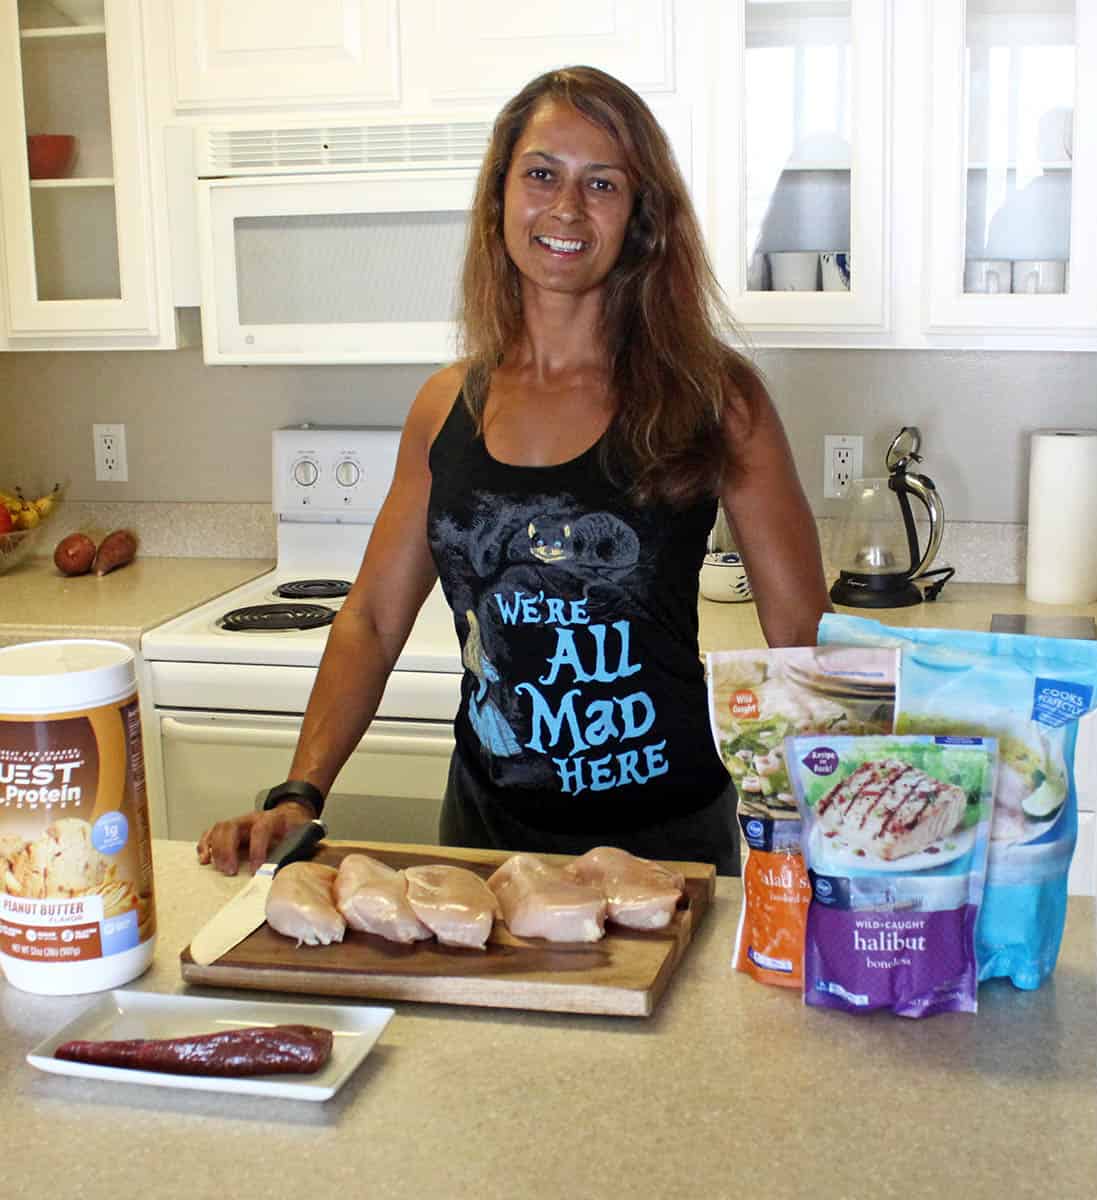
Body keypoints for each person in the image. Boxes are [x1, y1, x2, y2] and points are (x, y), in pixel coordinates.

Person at [197, 65, 830, 879]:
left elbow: (804, 642)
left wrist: (845, 822)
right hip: (486, 837)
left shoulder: (713, 397)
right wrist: (299, 792)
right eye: (541, 174)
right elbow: (372, 622)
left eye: (601, 183)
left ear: (640, 216)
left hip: (666, 843)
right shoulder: (445, 407)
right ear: (501, 195)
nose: (566, 208)